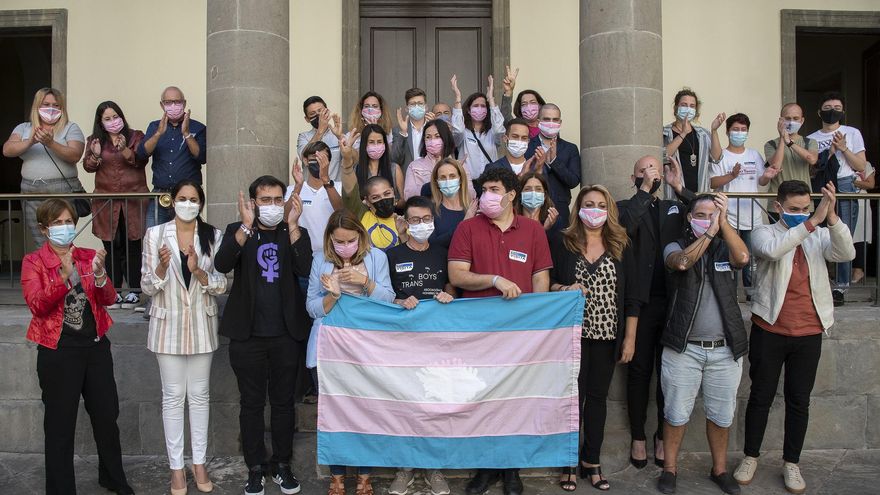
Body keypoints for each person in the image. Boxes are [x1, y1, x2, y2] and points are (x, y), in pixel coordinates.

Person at [733, 180, 854, 494]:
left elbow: (846, 252)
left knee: (799, 400)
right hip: (770, 330)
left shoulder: (820, 234)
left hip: (809, 332)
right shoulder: (763, 232)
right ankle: (750, 456)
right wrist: (812, 222)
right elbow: (774, 251)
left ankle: (791, 462)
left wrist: (832, 218)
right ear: (778, 207)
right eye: (793, 209)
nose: (801, 214)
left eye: (805, 209)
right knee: (760, 396)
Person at [448, 166, 553, 495]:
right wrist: (494, 280)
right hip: (478, 332)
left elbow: (540, 279)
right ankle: (485, 467)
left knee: (515, 400)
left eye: (494, 190)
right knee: (482, 399)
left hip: (520, 335)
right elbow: (457, 275)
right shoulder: (467, 228)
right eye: (483, 190)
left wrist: (538, 326)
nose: (487, 196)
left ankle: (511, 469)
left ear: (511, 195)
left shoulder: (533, 230)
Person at [21, 198, 133, 495]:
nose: (64, 227)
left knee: (107, 416)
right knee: (59, 425)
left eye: (68, 221)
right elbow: (37, 305)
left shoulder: (87, 255)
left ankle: (113, 478)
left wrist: (100, 274)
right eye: (57, 223)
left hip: (95, 348)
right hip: (57, 351)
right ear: (44, 229)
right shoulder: (34, 262)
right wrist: (61, 276)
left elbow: (109, 298)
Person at [214, 176, 312, 495]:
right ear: (253, 203)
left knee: (284, 403)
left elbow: (305, 268)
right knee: (251, 404)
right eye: (265, 200)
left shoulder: (293, 232)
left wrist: (293, 225)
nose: (272, 205)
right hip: (248, 336)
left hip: (286, 335)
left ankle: (282, 464)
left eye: (277, 199)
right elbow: (222, 263)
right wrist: (245, 226)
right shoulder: (238, 230)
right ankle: (255, 467)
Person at [657, 193, 750, 495]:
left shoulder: (725, 247)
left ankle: (719, 470)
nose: (707, 220)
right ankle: (670, 469)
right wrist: (710, 233)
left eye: (713, 215)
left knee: (721, 416)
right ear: (689, 217)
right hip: (683, 349)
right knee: (675, 414)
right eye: (701, 215)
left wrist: (724, 226)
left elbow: (743, 258)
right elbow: (682, 263)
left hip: (725, 350)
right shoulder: (675, 245)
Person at [550, 185, 639, 492]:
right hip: (571, 337)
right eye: (589, 204)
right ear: (579, 208)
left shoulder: (621, 244)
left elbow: (632, 297)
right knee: (572, 398)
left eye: (601, 205)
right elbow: (548, 283)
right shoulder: (563, 242)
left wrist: (630, 338)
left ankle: (592, 461)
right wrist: (565, 289)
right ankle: (568, 463)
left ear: (609, 210)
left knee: (597, 399)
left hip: (607, 336)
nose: (595, 210)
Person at [141, 180, 226, 495]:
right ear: (172, 201)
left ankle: (199, 463)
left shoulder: (213, 235)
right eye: (182, 198)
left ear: (200, 204)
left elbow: (221, 285)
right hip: (168, 327)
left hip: (202, 325)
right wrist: (162, 268)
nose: (187, 204)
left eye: (193, 199)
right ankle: (176, 467)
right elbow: (146, 286)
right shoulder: (155, 235)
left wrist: (199, 272)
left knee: (200, 396)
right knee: (173, 397)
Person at [304, 209, 395, 495]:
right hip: (328, 347)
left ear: (361, 236)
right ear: (330, 239)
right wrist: (333, 295)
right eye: (339, 241)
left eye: (351, 241)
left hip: (366, 346)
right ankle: (337, 476)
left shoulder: (377, 257)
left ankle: (365, 475)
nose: (345, 246)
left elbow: (389, 299)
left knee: (367, 411)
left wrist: (363, 282)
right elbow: (311, 308)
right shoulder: (320, 260)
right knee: (333, 413)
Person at [617, 155, 693, 471]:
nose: (651, 173)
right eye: (644, 170)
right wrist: (644, 191)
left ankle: (662, 434)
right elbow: (624, 230)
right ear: (633, 177)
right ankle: (638, 435)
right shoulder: (625, 206)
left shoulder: (673, 207)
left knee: (668, 374)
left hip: (673, 302)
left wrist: (680, 187)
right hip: (640, 304)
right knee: (639, 372)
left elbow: (704, 211)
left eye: (655, 169)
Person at [385, 196, 454, 495]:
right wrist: (398, 300)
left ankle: (433, 468)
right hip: (402, 342)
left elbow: (452, 285)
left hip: (436, 342)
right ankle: (405, 468)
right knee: (405, 406)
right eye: (415, 220)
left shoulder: (442, 254)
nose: (421, 225)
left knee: (434, 405)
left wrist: (450, 294)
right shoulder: (391, 255)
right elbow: (383, 293)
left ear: (433, 220)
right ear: (405, 222)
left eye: (426, 219)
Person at [83, 101, 149, 310]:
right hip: (106, 201)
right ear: (100, 122)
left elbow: (141, 160)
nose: (113, 121)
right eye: (108, 119)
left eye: (115, 117)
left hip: (133, 200)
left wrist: (125, 150)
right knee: (112, 245)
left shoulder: (136, 136)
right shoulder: (94, 140)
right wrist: (95, 154)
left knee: (133, 244)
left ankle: (135, 291)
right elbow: (88, 167)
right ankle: (114, 291)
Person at [3, 87, 85, 247]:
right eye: (46, 104)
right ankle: (45, 265)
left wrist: (51, 143)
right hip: (31, 190)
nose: (51, 109)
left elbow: (75, 155)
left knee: (62, 239)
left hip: (61, 190)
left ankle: (65, 264)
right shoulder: (24, 128)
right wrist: (30, 141)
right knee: (40, 239)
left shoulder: (70, 127)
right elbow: (7, 150)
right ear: (37, 106)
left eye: (56, 105)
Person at [807, 91, 867, 305]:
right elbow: (810, 169)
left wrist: (844, 148)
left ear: (843, 112)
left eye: (837, 108)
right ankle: (818, 281)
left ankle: (841, 286)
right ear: (819, 112)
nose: (832, 112)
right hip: (820, 186)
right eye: (828, 108)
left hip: (844, 184)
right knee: (818, 233)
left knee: (842, 234)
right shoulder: (811, 138)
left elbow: (861, 166)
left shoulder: (852, 133)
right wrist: (829, 153)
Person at [709, 113, 775, 291]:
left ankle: (750, 292)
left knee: (750, 257)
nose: (739, 133)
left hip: (752, 215)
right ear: (727, 132)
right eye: (735, 129)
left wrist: (767, 176)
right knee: (728, 253)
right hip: (728, 216)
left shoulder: (754, 154)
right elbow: (712, 182)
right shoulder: (721, 155)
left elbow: (761, 181)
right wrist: (731, 175)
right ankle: (728, 291)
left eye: (743, 130)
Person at [137, 86, 207, 229]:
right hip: (160, 195)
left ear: (184, 103)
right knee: (153, 236)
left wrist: (187, 134)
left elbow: (202, 156)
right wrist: (158, 134)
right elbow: (142, 153)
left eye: (177, 102)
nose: (173, 106)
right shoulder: (154, 126)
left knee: (188, 236)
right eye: (168, 102)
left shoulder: (198, 127)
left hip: (187, 195)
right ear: (162, 105)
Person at [341, 134, 408, 251]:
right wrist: (347, 161)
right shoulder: (362, 214)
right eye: (376, 197)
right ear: (367, 201)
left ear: (393, 192)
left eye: (387, 194)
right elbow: (350, 191)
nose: (383, 199)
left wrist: (403, 235)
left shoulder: (404, 222)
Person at [524, 104, 582, 230]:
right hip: (530, 209)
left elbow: (573, 181)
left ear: (560, 122)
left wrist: (554, 162)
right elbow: (522, 177)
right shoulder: (526, 146)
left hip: (560, 211)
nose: (551, 123)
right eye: (546, 119)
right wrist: (538, 167)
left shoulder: (570, 148)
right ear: (538, 122)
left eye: (555, 120)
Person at [662, 88, 724, 195]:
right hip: (674, 194)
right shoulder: (665, 132)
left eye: (692, 106)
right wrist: (683, 133)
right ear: (676, 108)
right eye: (684, 105)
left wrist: (714, 131)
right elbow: (662, 156)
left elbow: (717, 157)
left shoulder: (702, 134)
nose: (688, 109)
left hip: (699, 194)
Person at [286, 141, 345, 254]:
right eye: (314, 158)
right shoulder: (292, 189)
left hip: (332, 253)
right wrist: (298, 186)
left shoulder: (339, 187)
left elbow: (341, 211)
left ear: (329, 162)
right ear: (305, 161)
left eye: (322, 158)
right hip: (302, 252)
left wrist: (325, 180)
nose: (318, 162)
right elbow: (285, 218)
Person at [449, 74, 505, 177]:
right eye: (475, 106)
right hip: (469, 181)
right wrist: (457, 97)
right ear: (468, 110)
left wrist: (491, 99)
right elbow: (458, 130)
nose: (479, 109)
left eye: (483, 106)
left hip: (490, 181)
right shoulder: (464, 133)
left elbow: (499, 129)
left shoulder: (491, 133)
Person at [340, 121, 404, 205]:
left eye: (379, 142)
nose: (376, 145)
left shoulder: (394, 169)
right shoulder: (356, 169)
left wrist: (390, 204)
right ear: (364, 145)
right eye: (371, 142)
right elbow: (350, 197)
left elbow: (403, 201)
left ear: (384, 144)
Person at [764, 103, 819, 195]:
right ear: (781, 120)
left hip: (803, 198)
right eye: (788, 118)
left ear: (802, 120)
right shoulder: (771, 144)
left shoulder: (809, 142)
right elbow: (776, 166)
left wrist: (790, 143)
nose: (791, 122)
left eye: (796, 118)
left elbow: (812, 159)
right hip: (778, 198)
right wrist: (782, 139)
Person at [421, 157, 475, 247]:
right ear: (437, 182)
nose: (448, 181)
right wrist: (463, 224)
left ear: (460, 179)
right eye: (443, 178)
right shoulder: (430, 211)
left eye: (452, 176)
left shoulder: (473, 208)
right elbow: (432, 246)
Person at [403, 118, 456, 199]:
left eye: (437, 136)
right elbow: (409, 196)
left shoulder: (458, 165)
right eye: (428, 137)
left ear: (446, 138)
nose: (432, 140)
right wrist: (434, 180)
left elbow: (470, 195)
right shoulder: (414, 166)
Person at [297, 96, 342, 182]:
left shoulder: (338, 134)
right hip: (311, 188)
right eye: (312, 114)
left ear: (327, 111)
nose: (318, 115)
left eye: (320, 111)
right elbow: (304, 157)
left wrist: (340, 137)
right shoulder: (303, 137)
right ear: (307, 119)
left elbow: (351, 160)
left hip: (334, 187)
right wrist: (320, 131)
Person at [392, 87, 436, 173]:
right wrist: (403, 133)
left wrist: (434, 129)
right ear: (407, 108)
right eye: (412, 104)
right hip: (409, 177)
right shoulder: (398, 130)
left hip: (431, 175)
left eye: (420, 103)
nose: (417, 106)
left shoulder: (434, 127)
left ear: (426, 107)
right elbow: (395, 159)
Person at [852, 163, 875, 284]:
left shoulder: (864, 164)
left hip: (861, 202)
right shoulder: (839, 161)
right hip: (844, 202)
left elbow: (870, 184)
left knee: (861, 234)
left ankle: (858, 270)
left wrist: (852, 182)